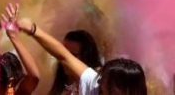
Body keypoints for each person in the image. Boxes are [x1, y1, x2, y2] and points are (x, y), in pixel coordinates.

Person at [10, 15, 146, 95]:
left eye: (107, 83)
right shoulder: (94, 86)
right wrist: (32, 29)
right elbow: (63, 56)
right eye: (102, 79)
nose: (100, 82)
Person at [48, 30, 102, 95]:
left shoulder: (97, 82)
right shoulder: (58, 79)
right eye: (63, 54)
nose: (66, 60)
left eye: (73, 56)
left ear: (87, 57)